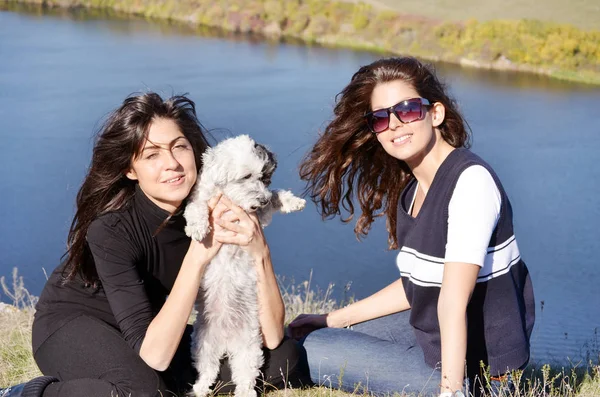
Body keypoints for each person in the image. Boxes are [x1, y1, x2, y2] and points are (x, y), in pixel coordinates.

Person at [0, 92, 306, 397]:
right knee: (145, 393)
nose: (171, 164)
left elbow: (272, 336)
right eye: (152, 154)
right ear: (130, 170)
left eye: (179, 147)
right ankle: (24, 394)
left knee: (285, 360)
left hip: (151, 328)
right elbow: (156, 356)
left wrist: (259, 251)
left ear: (196, 152)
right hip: (76, 324)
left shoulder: (219, 205)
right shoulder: (111, 230)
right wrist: (198, 256)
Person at [288, 57, 535, 397]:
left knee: (308, 350)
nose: (393, 124)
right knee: (315, 334)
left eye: (406, 110)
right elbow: (416, 285)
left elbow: (452, 299)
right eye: (380, 117)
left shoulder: (470, 182)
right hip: (433, 335)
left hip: (481, 373)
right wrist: (333, 317)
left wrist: (451, 391)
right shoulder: (415, 188)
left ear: (436, 113)